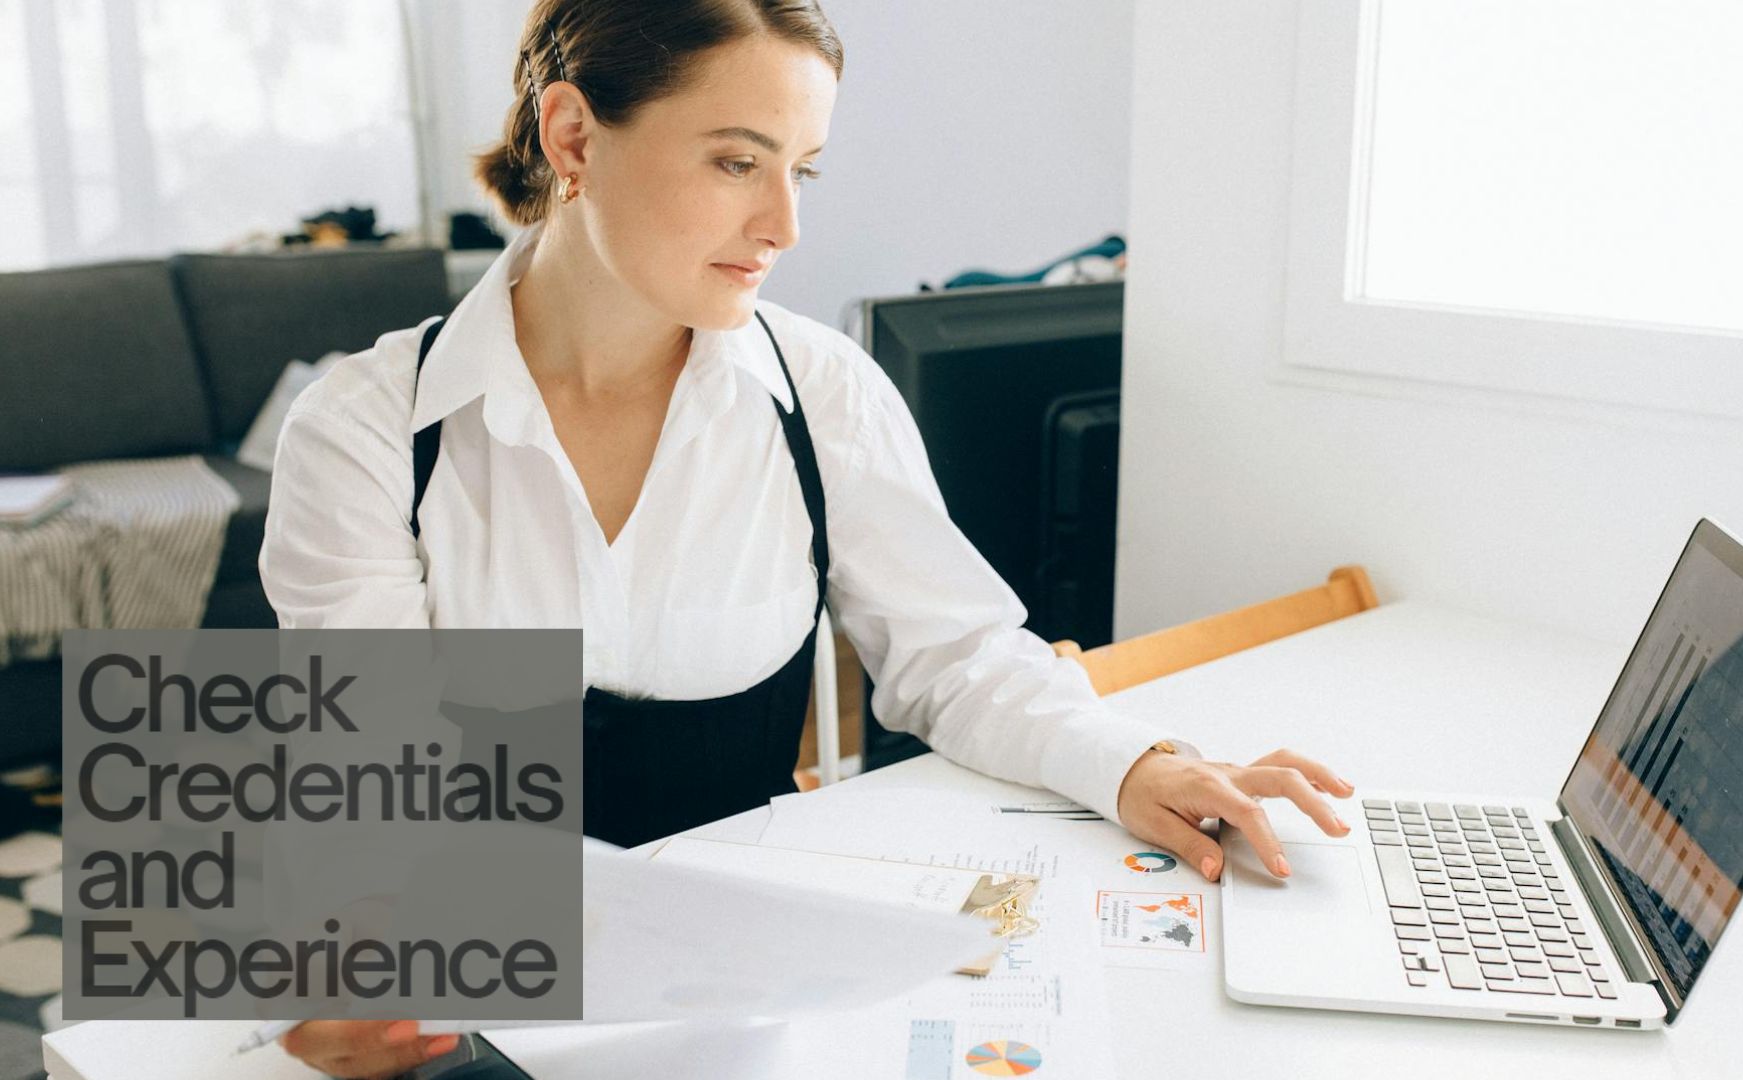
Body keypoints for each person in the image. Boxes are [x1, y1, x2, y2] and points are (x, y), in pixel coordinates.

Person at [260, 0, 1353, 1074]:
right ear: (574, 136)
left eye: (804, 169)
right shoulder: (367, 431)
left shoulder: (820, 390)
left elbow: (956, 656)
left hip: (740, 998)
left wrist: (1134, 765)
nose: (786, 225)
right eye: (738, 162)